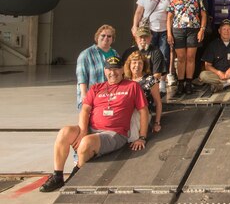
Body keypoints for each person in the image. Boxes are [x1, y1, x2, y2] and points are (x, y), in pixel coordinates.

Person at [39, 56, 148, 193]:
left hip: (114, 133)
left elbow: (144, 111)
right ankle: (58, 176)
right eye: (109, 69)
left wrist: (142, 137)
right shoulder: (97, 88)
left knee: (86, 143)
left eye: (116, 69)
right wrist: (83, 130)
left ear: (122, 70)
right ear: (104, 71)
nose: (112, 72)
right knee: (64, 132)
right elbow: (85, 110)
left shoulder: (132, 86)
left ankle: (76, 175)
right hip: (91, 129)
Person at [167, 0, 207, 95]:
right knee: (181, 58)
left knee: (191, 57)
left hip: (193, 29)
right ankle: (180, 82)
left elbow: (204, 14)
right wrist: (169, 33)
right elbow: (169, 17)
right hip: (178, 30)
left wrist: (202, 29)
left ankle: (188, 82)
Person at [131, 0, 173, 72]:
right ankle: (147, 76)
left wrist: (170, 32)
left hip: (164, 30)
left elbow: (171, 15)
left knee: (164, 55)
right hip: (148, 30)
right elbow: (138, 12)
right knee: (147, 54)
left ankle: (162, 81)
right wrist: (135, 26)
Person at [76, 25, 118, 109]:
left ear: (112, 39)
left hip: (110, 97)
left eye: (109, 36)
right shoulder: (86, 54)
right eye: (103, 35)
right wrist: (84, 96)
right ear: (97, 37)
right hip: (92, 97)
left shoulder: (115, 54)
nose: (106, 38)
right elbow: (81, 77)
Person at [123, 51, 163, 139]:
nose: (137, 65)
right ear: (129, 65)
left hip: (143, 113)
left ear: (144, 66)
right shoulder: (124, 81)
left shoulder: (150, 80)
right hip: (126, 112)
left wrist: (157, 123)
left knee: (133, 117)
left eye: (140, 63)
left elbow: (158, 103)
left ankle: (136, 139)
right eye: (134, 62)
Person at [121, 27, 167, 94]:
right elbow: (123, 72)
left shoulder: (156, 52)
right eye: (140, 37)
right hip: (129, 85)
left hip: (148, 87)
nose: (143, 39)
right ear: (136, 38)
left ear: (151, 38)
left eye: (146, 37)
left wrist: (143, 86)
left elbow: (157, 75)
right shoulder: (128, 52)